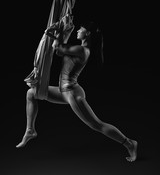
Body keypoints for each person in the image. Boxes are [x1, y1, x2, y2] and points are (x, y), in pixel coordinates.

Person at [16, 19, 138, 162]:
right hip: (64, 91)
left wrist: (58, 32)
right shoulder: (79, 48)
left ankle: (129, 143)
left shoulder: (82, 50)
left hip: (72, 94)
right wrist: (58, 33)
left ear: (88, 33)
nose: (78, 31)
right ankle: (30, 130)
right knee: (31, 93)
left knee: (97, 125)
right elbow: (59, 52)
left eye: (81, 29)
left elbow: (59, 48)